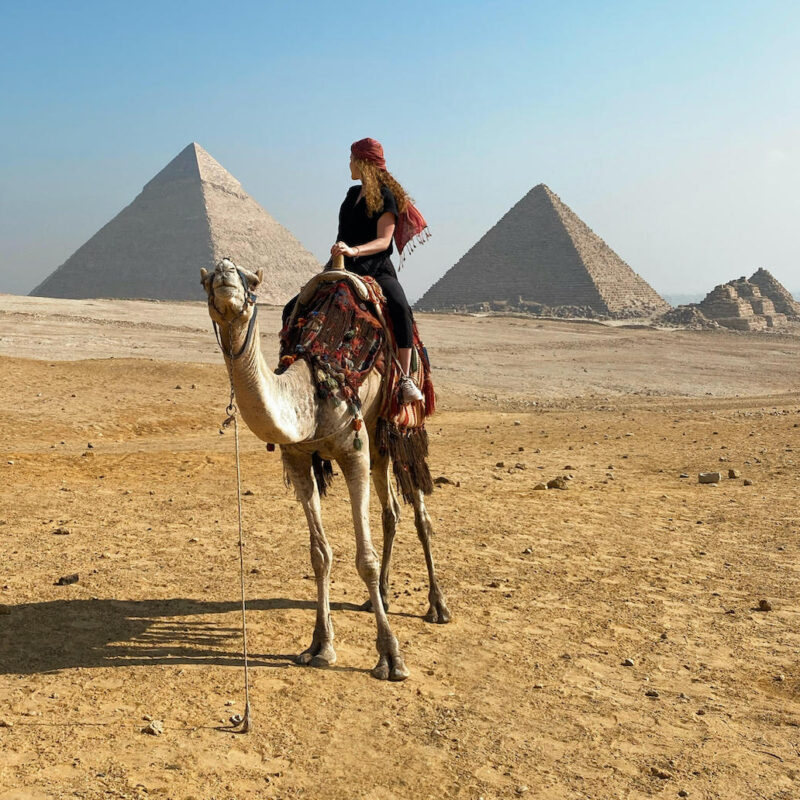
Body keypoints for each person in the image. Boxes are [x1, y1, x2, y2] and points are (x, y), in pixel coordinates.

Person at [284, 137, 430, 404]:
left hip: (375, 267)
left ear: (363, 162)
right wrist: (340, 251)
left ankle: (405, 379)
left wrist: (354, 250)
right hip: (344, 266)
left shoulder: (386, 196)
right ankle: (289, 362)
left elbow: (384, 242)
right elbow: (344, 232)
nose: (348, 164)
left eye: (351, 159)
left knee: (400, 307)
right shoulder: (352, 195)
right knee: (293, 307)